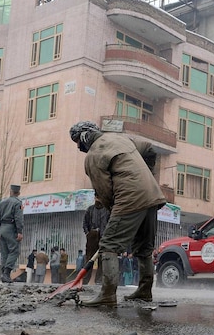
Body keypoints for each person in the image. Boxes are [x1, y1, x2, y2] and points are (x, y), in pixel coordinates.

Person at [70, 120, 165, 307]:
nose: (79, 147)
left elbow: (104, 191)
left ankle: (107, 294)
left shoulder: (93, 156)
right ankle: (145, 291)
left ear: (84, 137)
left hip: (129, 198)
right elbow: (149, 149)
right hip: (152, 195)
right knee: (144, 247)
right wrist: (147, 173)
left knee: (108, 246)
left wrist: (114, 211)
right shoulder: (120, 139)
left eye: (78, 143)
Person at [0, 184, 24, 283]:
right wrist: (19, 231)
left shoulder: (2, 203)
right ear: (18, 193)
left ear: (10, 192)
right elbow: (18, 218)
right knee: (14, 250)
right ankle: (7, 273)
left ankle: (4, 274)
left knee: (4, 252)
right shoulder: (18, 203)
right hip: (11, 228)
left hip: (2, 228)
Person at [82, 202, 110, 285]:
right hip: (92, 238)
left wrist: (107, 235)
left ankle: (99, 280)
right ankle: (85, 280)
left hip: (103, 238)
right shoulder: (90, 209)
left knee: (102, 260)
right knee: (89, 259)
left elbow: (111, 223)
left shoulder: (107, 210)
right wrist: (88, 233)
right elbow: (85, 223)